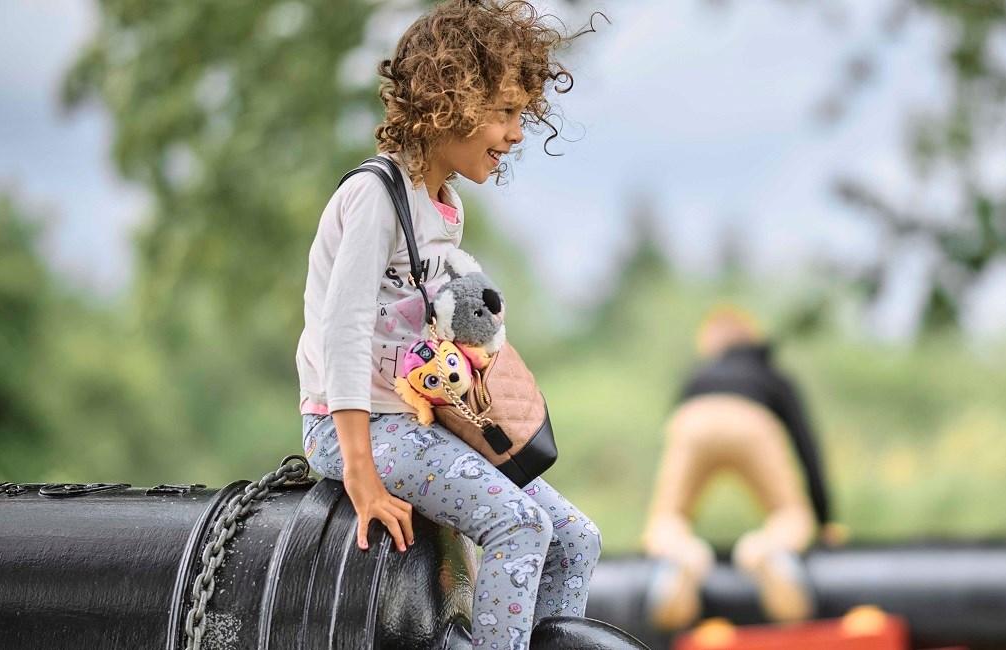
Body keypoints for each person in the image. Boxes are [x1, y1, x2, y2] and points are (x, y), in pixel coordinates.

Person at [294, 3, 599, 647]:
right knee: (520, 526)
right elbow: (342, 331)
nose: (518, 133)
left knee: (576, 538)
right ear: (449, 102)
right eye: (506, 112)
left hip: (417, 422)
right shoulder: (375, 196)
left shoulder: (444, 208)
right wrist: (360, 475)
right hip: (358, 428)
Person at [641, 306, 839, 630]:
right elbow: (807, 448)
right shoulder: (773, 376)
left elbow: (668, 439)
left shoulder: (697, 374)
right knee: (790, 514)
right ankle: (766, 550)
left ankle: (683, 555)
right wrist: (826, 520)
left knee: (667, 518)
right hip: (752, 419)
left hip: (691, 419)